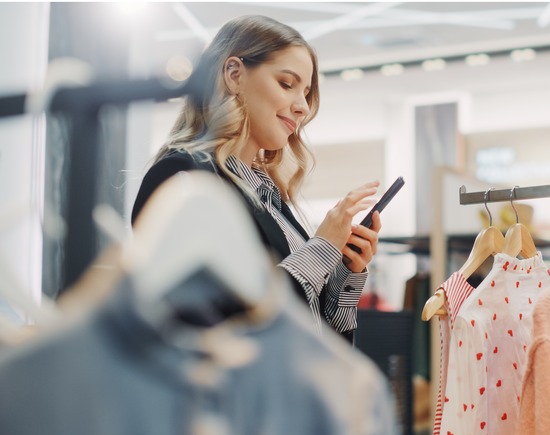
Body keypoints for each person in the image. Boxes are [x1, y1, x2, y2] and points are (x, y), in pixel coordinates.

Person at [131, 15, 381, 343]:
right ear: (234, 74)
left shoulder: (270, 197)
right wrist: (321, 249)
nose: (303, 107)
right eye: (286, 84)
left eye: (306, 93)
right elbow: (227, 324)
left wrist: (341, 274)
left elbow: (312, 338)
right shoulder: (184, 177)